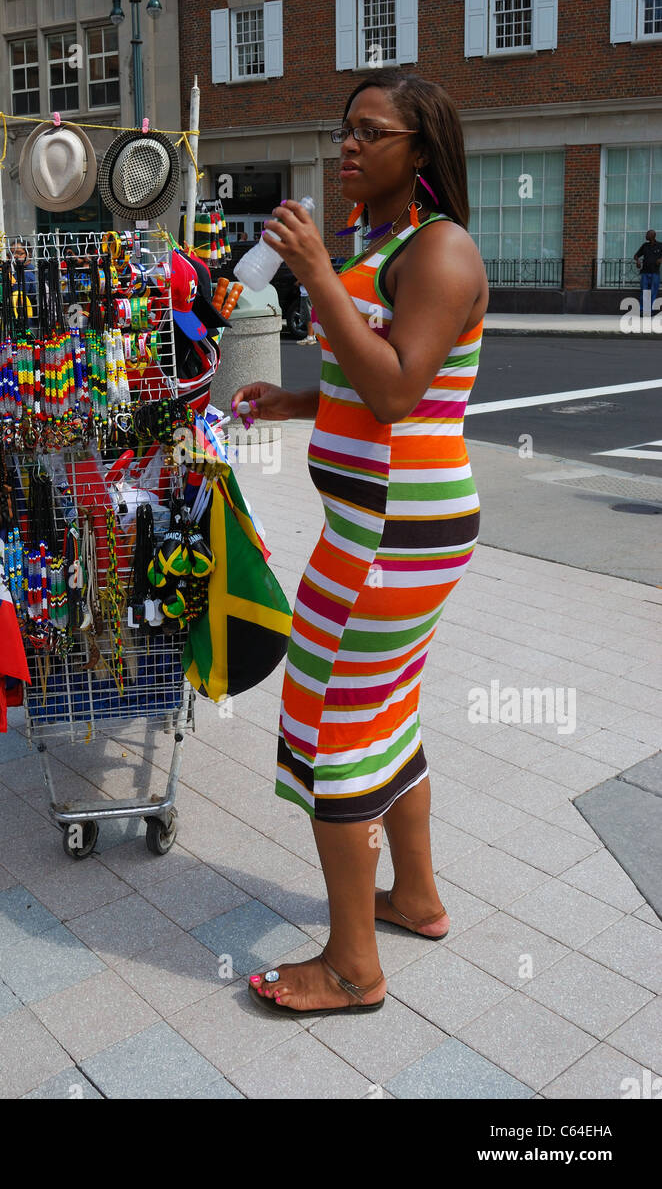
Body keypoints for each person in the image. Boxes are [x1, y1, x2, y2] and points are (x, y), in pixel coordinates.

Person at [232, 69, 488, 1016]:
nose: (348, 145)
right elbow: (362, 382)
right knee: (387, 714)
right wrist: (293, 400)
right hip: (377, 528)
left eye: (371, 132)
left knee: (334, 725)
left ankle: (350, 967)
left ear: (419, 152)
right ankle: (414, 897)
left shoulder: (441, 250)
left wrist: (307, 276)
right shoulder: (381, 249)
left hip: (390, 536)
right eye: (344, 130)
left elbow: (398, 392)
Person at [633, 229, 662, 311]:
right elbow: (636, 255)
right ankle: (643, 310)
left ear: (652, 236)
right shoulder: (645, 245)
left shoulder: (660, 245)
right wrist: (638, 261)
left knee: (653, 292)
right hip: (645, 272)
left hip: (655, 273)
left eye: (647, 235)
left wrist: (661, 259)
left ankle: (650, 310)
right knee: (644, 292)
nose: (645, 236)